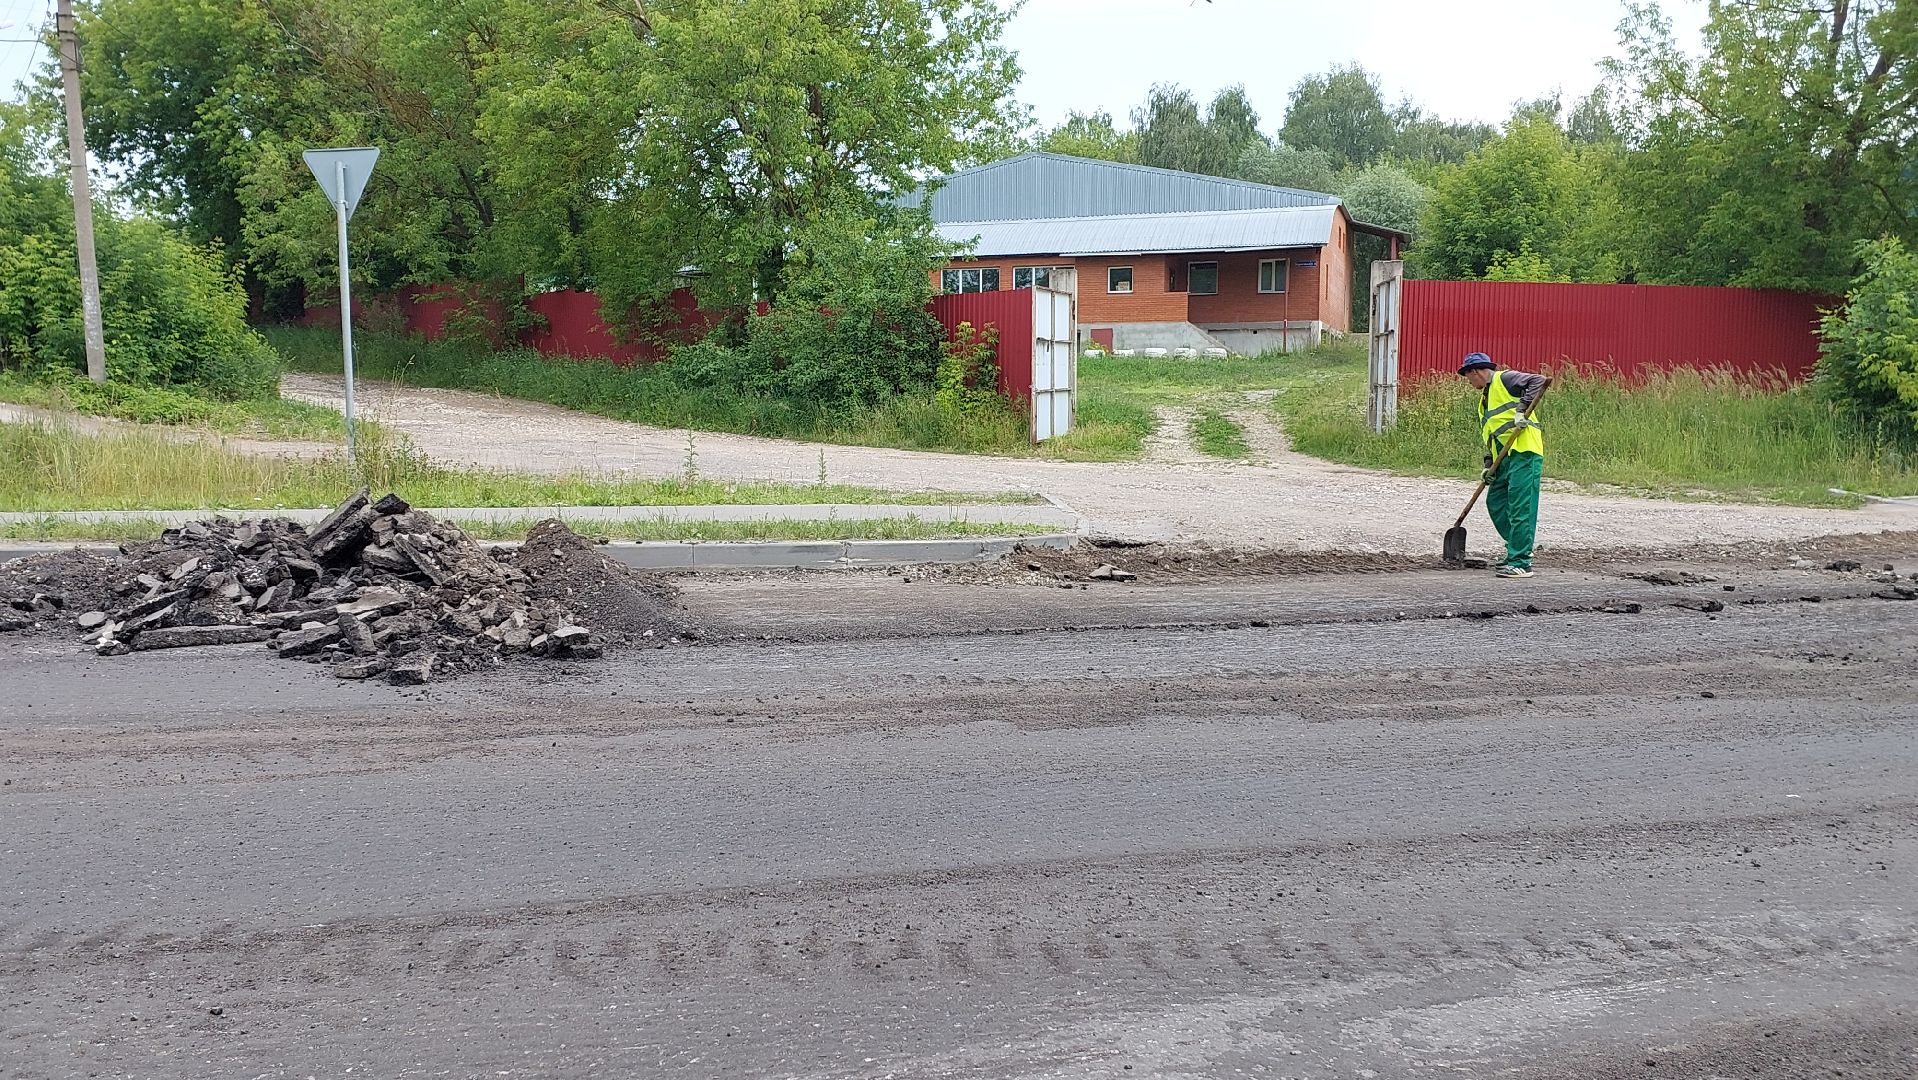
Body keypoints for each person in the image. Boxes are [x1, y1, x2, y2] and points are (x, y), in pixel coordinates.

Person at [1457, 352, 1551, 578]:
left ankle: (1521, 561)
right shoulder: (1484, 401)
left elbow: (1538, 381)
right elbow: (1492, 434)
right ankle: (1518, 546)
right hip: (1504, 458)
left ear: (1475, 371)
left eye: (1468, 377)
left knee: (1521, 507)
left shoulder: (1504, 379)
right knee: (1496, 501)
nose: (1469, 383)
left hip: (1524, 452)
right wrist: (1489, 464)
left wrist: (1521, 411)